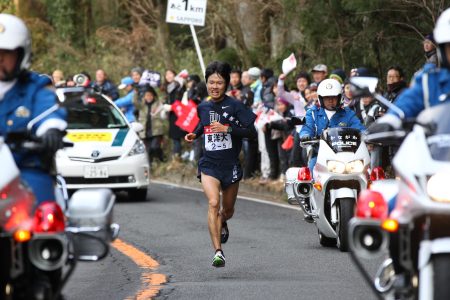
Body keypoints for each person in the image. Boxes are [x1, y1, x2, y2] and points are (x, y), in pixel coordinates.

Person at [185, 61, 257, 268]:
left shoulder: (235, 106)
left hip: (231, 165)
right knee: (213, 204)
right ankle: (218, 252)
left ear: (226, 84)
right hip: (209, 164)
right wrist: (195, 133)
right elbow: (203, 122)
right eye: (211, 82)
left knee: (228, 210)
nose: (214, 86)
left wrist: (227, 129)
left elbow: (251, 132)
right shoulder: (203, 106)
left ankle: (223, 221)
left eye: (219, 82)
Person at [0, 14, 67, 204]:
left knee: (45, 214)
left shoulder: (35, 86)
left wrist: (51, 129)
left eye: (6, 53)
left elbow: (49, 109)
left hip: (26, 169)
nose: (0, 59)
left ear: (21, 55)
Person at [300, 78, 365, 175]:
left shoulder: (348, 113)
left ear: (339, 97)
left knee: (366, 174)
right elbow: (307, 127)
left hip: (347, 157)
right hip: (320, 156)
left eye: (334, 97)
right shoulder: (313, 113)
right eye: (327, 97)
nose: (330, 100)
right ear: (320, 98)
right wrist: (305, 135)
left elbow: (359, 127)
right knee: (311, 173)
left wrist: (366, 135)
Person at [133, 84, 165, 162]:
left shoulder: (158, 104)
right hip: (145, 131)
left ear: (153, 96)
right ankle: (151, 165)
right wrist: (136, 93)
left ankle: (161, 157)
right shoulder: (142, 105)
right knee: (148, 150)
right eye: (147, 95)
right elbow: (135, 102)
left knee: (155, 147)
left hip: (156, 130)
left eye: (150, 95)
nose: (149, 97)